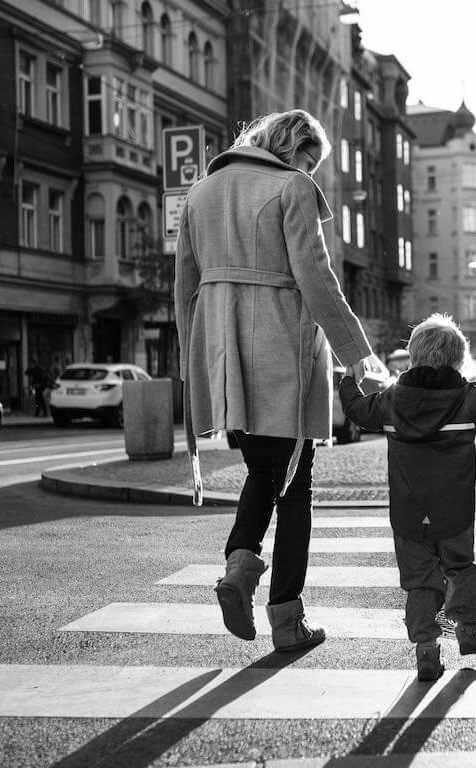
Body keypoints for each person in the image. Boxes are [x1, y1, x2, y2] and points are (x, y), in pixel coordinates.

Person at [174, 109, 387, 652]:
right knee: (294, 487)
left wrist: (193, 363)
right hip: (281, 352)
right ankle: (287, 619)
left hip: (225, 357)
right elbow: (317, 280)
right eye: (310, 160)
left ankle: (239, 574)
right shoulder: (291, 189)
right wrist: (360, 357)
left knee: (262, 472)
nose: (311, 173)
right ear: (290, 148)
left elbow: (184, 290)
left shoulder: (199, 194)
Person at [339, 314, 476, 681]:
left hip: (409, 514)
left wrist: (351, 379)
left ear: (412, 358)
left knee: (420, 580)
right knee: (460, 567)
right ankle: (467, 630)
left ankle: (426, 647)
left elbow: (357, 411)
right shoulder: (468, 398)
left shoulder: (391, 400)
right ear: (459, 360)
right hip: (454, 510)